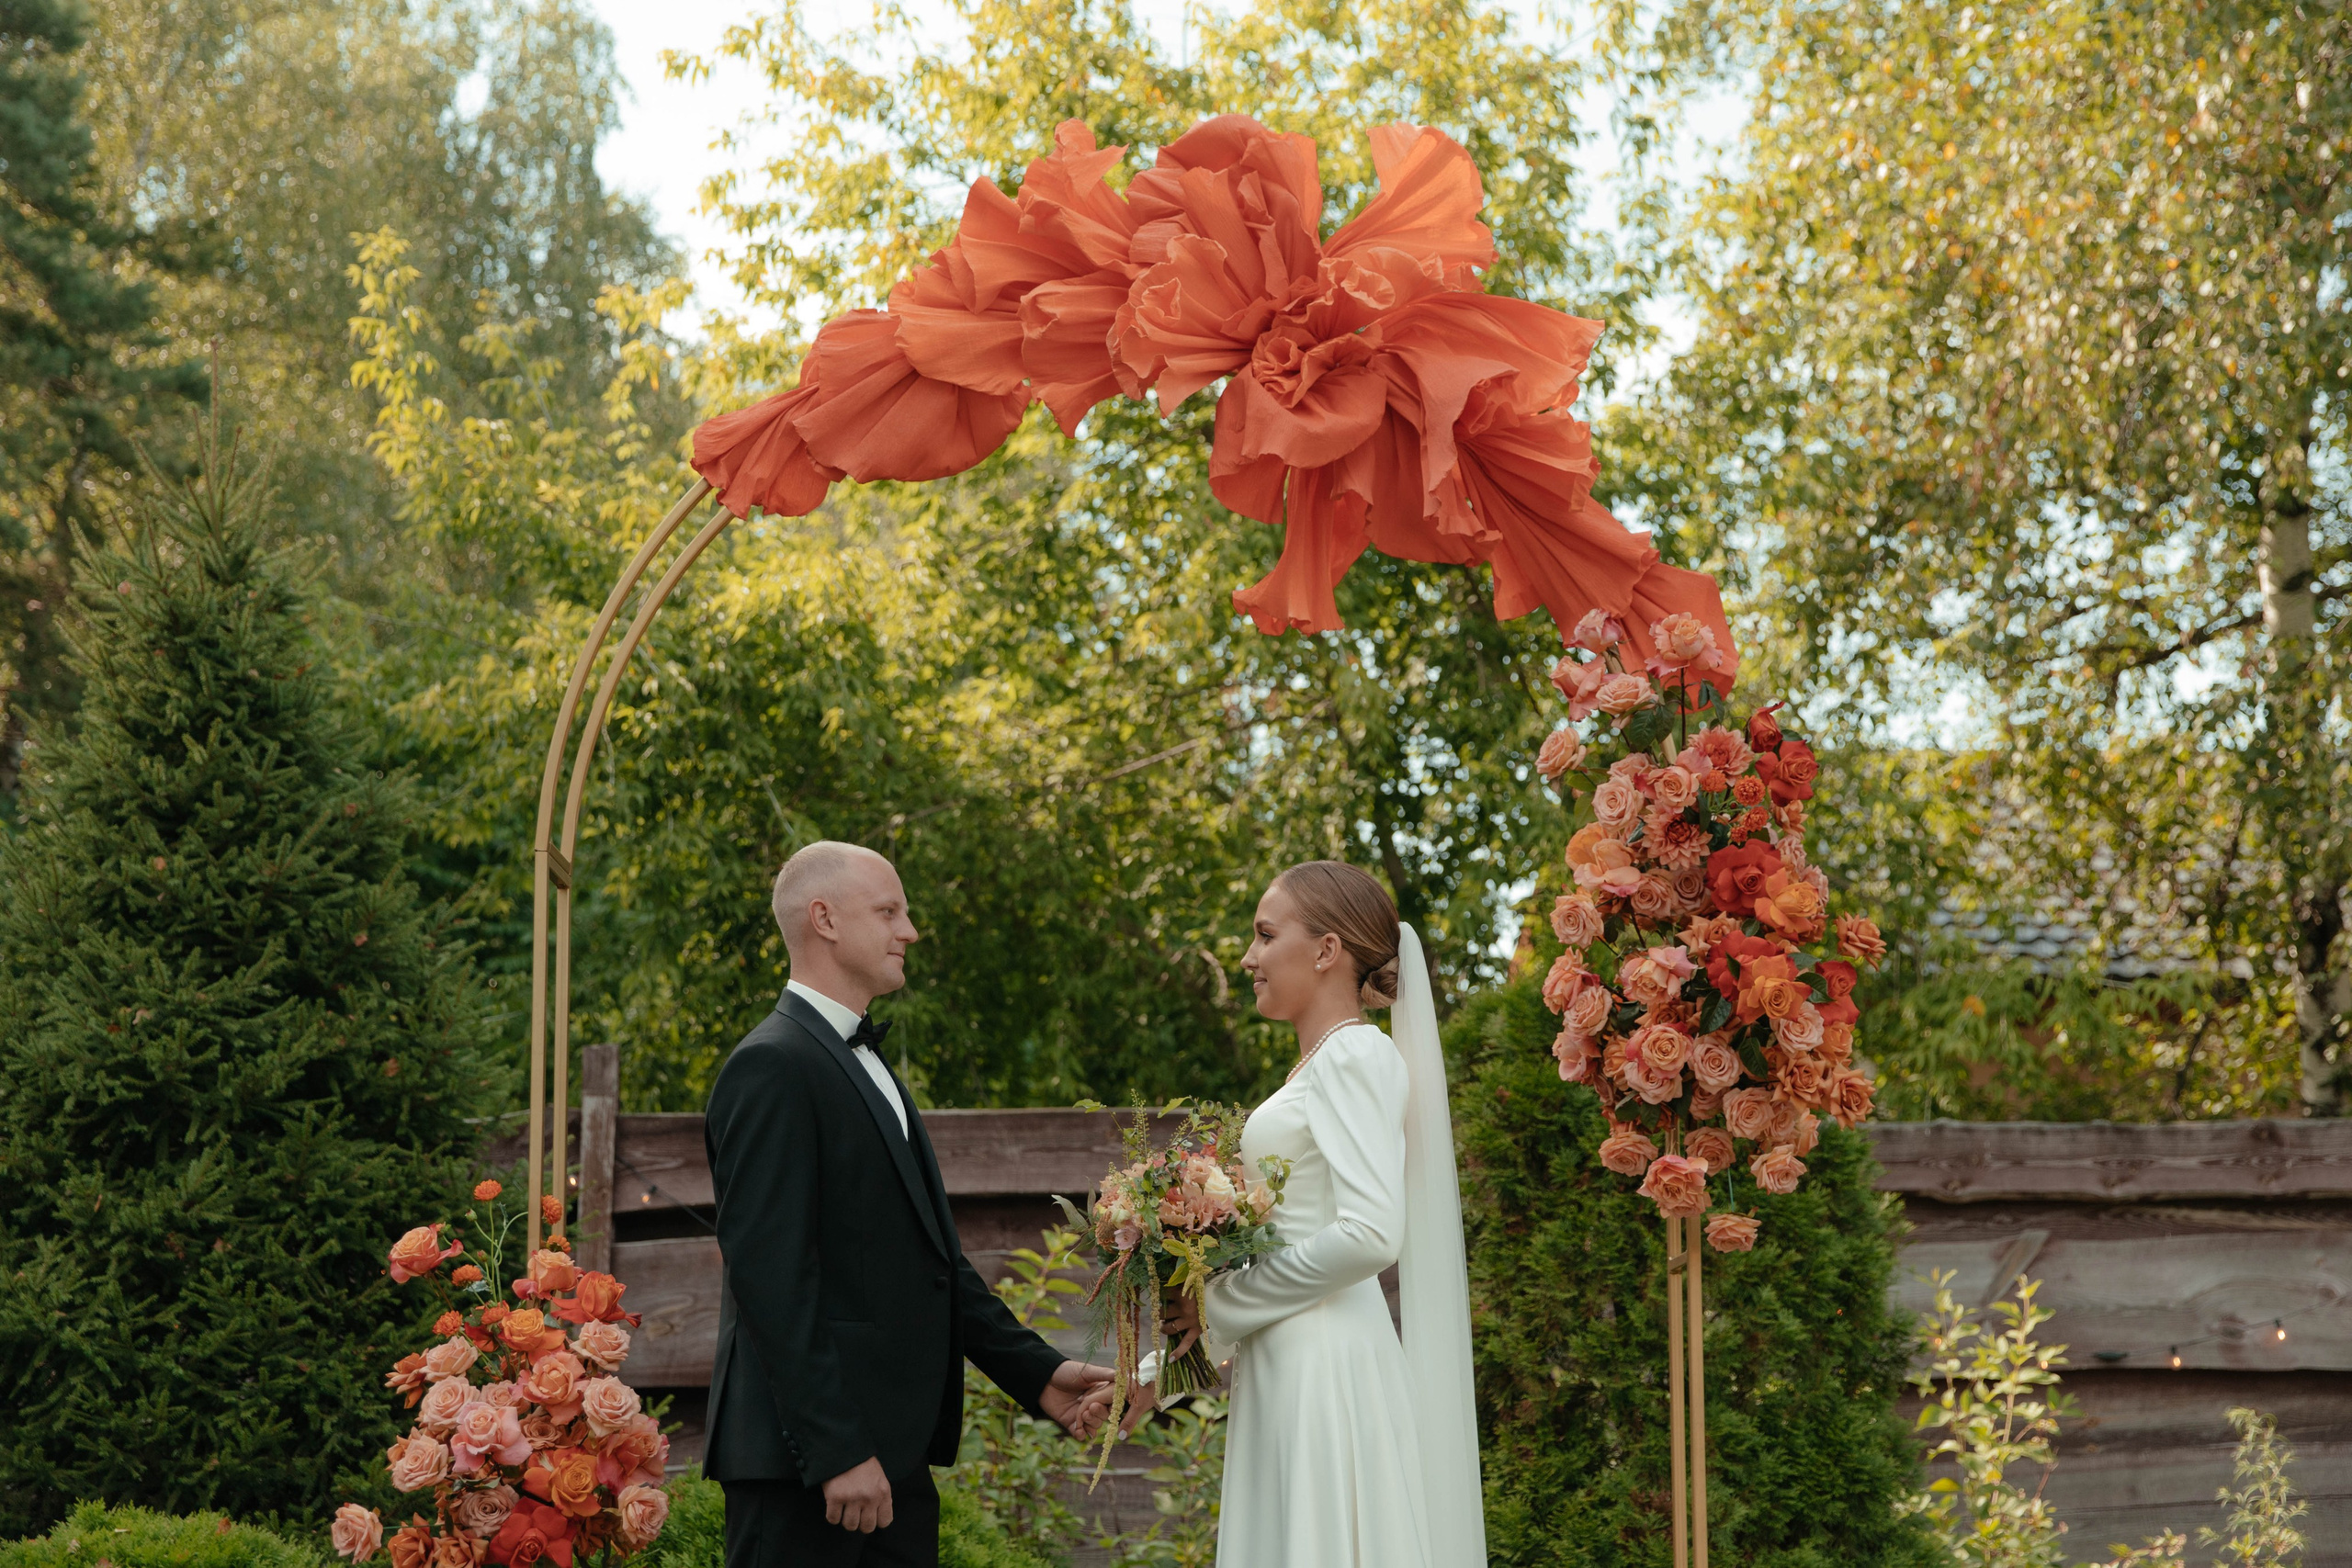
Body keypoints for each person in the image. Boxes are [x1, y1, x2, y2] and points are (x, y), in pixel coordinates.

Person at [704, 840, 1117, 1567]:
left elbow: (932, 1264)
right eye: (890, 910)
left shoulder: (863, 1063)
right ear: (824, 918)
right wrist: (835, 1450)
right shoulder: (772, 1064)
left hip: (889, 1459)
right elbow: (769, 1278)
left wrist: (1039, 1373)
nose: (911, 930)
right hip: (814, 1472)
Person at [1159, 861, 1487, 1568]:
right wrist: (1160, 1368)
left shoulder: (1355, 1054)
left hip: (1324, 1370)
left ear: (1327, 949)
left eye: (1265, 933)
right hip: (1291, 1358)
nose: (1249, 956)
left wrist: (1220, 1303)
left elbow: (1370, 1233)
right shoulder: (1323, 1063)